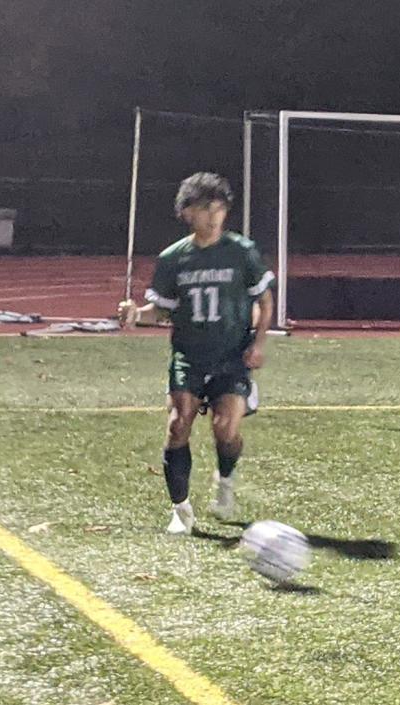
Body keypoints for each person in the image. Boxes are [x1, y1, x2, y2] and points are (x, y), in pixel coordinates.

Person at [118, 172, 275, 534]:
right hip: (189, 355)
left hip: (232, 356)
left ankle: (226, 476)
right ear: (187, 212)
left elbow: (264, 300)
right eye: (205, 208)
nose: (214, 215)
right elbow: (161, 310)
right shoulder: (174, 258)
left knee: (226, 429)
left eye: (219, 207)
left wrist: (259, 343)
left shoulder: (242, 252)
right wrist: (134, 314)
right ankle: (181, 510)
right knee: (177, 426)